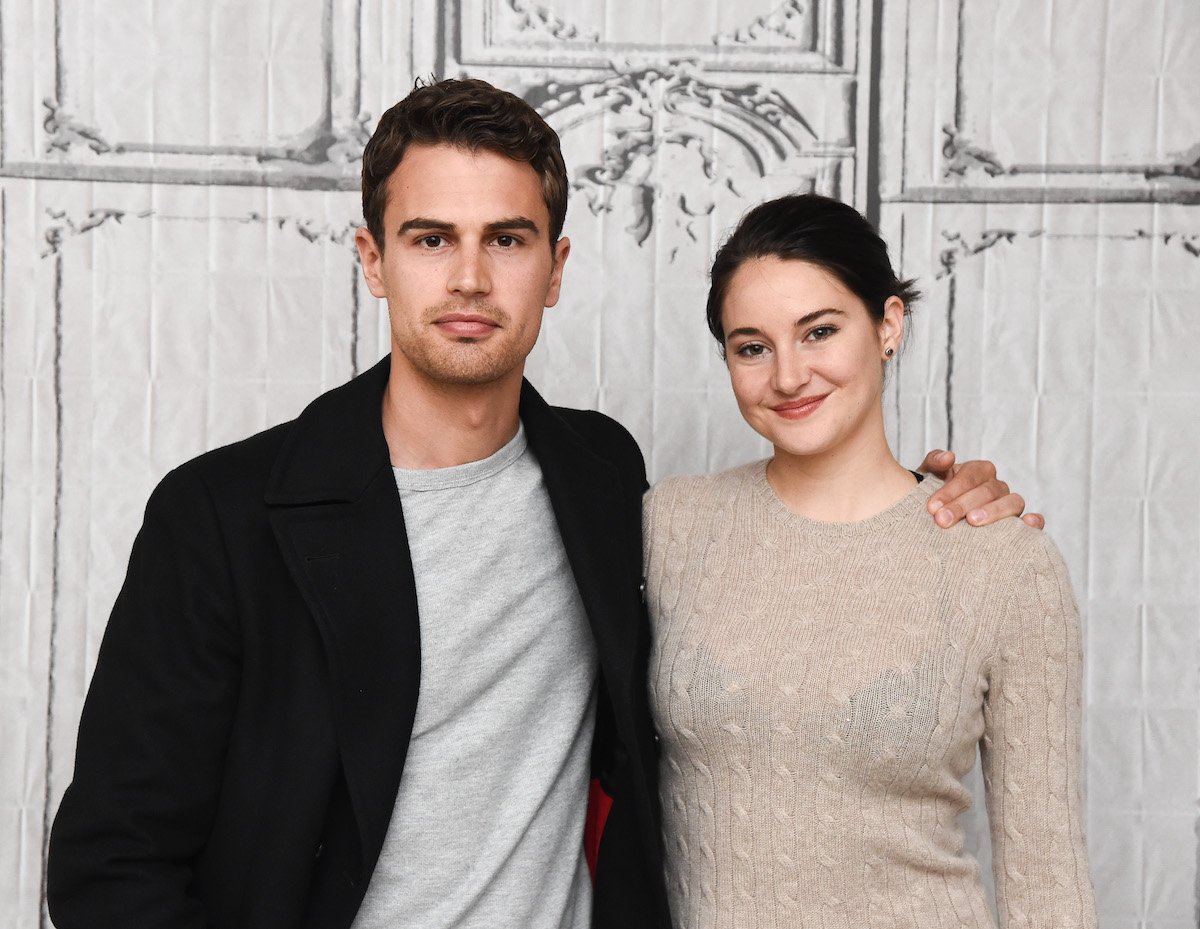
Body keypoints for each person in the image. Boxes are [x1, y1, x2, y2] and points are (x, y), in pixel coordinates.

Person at [46, 79, 1031, 929]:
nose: (470, 277)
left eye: (506, 239)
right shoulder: (225, 515)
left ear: (555, 269)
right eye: (431, 237)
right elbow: (110, 862)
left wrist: (929, 510)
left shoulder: (605, 479)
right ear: (372, 258)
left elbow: (779, 569)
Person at [643, 194, 1096, 928]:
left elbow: (1047, 879)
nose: (788, 376)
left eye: (819, 331)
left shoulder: (1005, 564)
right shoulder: (671, 525)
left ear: (888, 324)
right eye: (752, 346)